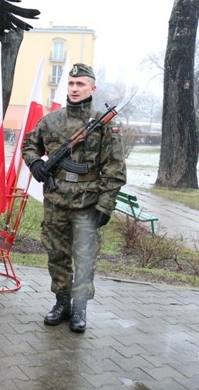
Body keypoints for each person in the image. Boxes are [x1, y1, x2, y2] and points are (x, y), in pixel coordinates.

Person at [22, 63, 126, 333]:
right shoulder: (51, 120)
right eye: (71, 83)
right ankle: (61, 303)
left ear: (92, 87)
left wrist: (105, 206)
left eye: (81, 84)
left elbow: (114, 170)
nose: (75, 88)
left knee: (85, 257)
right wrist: (34, 163)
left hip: (87, 205)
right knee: (57, 255)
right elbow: (29, 144)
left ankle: (80, 308)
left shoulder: (104, 124)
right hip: (56, 203)